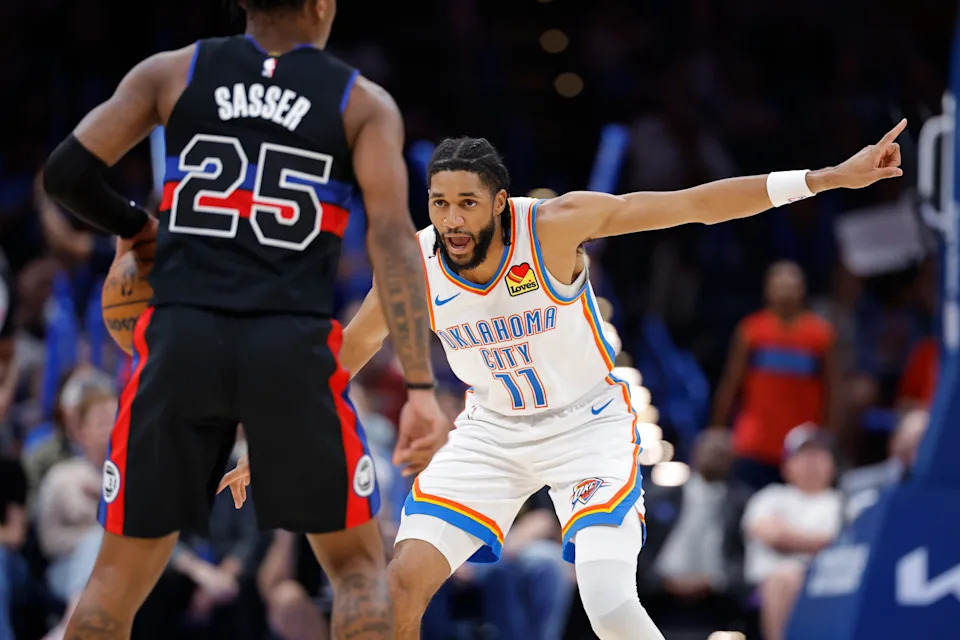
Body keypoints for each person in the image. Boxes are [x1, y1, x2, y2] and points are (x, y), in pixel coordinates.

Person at [224, 123, 906, 639]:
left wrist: (822, 179)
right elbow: (347, 352)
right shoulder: (415, 265)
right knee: (397, 585)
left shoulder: (552, 227)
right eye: (439, 204)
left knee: (609, 604)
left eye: (467, 203)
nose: (453, 219)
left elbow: (692, 204)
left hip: (588, 427)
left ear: (499, 202)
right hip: (490, 433)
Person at [40, 0, 449, 637]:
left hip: (180, 337)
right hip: (290, 345)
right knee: (358, 572)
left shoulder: (172, 72)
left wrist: (138, 225)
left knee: (113, 584)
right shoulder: (361, 102)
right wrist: (420, 388)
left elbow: (66, 174)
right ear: (322, 6)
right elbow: (395, 244)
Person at [712, 261, 842, 489]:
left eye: (792, 284)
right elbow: (732, 382)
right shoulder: (751, 330)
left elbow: (834, 390)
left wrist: (829, 439)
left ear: (803, 290)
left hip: (801, 448)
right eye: (779, 284)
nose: (785, 290)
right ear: (767, 290)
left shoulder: (821, 334)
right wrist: (718, 429)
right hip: (754, 444)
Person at [741, 424, 842, 640]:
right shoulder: (771, 497)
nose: (811, 464)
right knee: (786, 576)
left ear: (833, 465)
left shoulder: (843, 502)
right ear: (786, 466)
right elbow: (773, 536)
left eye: (819, 456)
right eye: (804, 457)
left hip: (829, 581)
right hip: (766, 585)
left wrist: (792, 537)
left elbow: (852, 544)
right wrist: (826, 541)